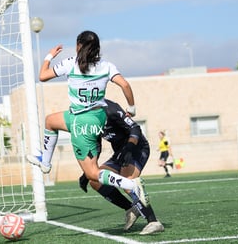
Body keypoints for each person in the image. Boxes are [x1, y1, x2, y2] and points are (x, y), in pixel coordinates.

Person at [27, 30, 148, 209]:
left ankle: (130, 185)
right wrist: (131, 108)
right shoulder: (107, 66)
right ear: (97, 48)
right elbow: (125, 84)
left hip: (81, 121)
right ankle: (45, 162)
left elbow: (42, 76)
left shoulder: (71, 64)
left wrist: (49, 56)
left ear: (78, 46)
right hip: (96, 117)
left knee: (92, 173)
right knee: (51, 121)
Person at [78, 99, 164, 235]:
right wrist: (88, 172)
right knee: (95, 180)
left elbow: (135, 128)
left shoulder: (111, 108)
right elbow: (96, 144)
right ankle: (131, 209)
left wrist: (129, 149)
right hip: (119, 152)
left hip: (136, 148)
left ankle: (153, 221)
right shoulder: (85, 114)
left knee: (127, 179)